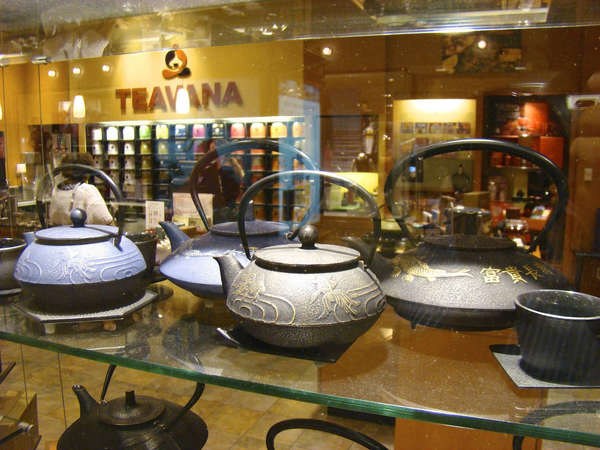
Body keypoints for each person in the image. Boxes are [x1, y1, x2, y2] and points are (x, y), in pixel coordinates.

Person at [48, 152, 114, 226]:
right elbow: (106, 221)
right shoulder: (87, 190)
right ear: (88, 170)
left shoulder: (56, 190)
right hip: (85, 236)